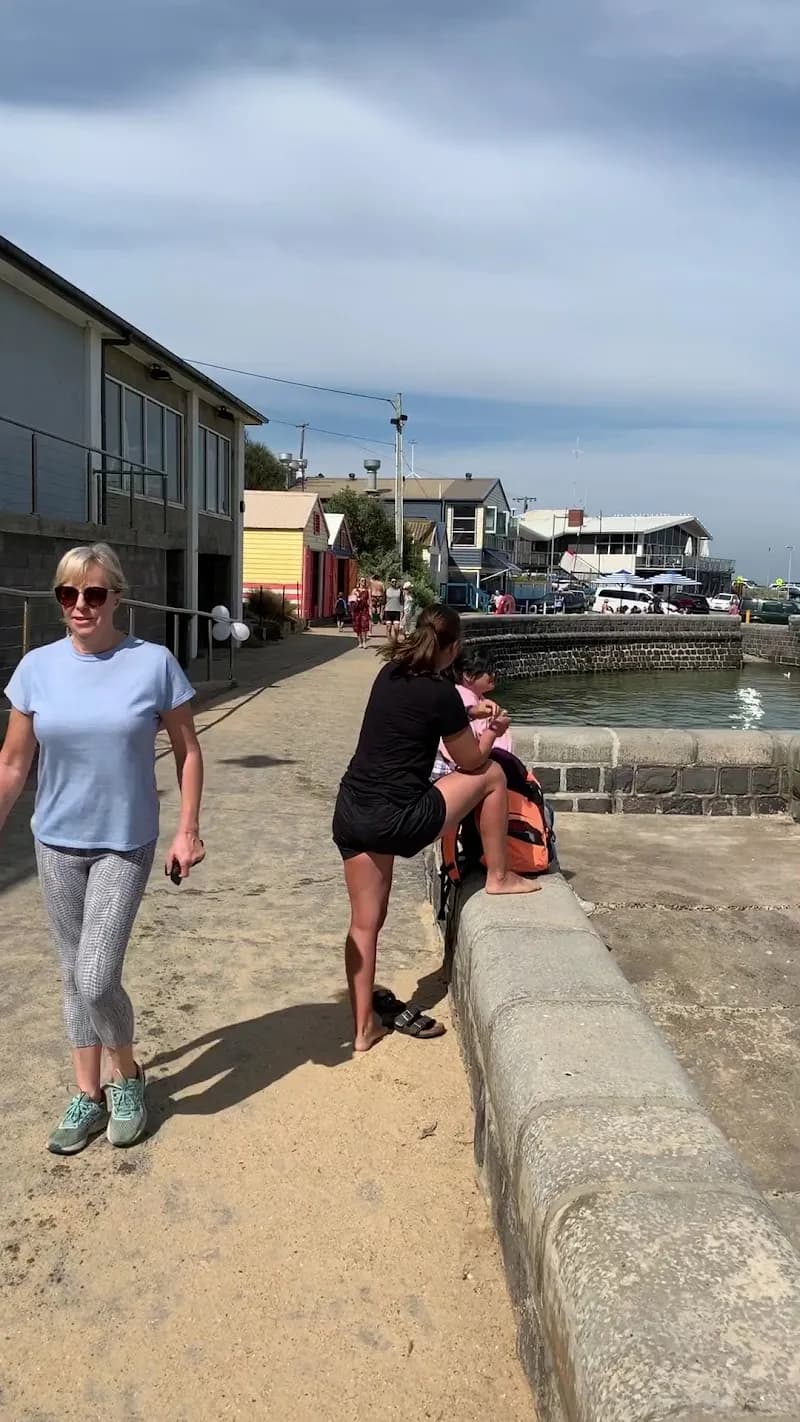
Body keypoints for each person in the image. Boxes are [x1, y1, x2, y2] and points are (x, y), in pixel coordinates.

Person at [0, 542, 204, 1154]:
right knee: (71, 974)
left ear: (117, 596)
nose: (80, 605)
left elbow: (189, 752)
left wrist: (187, 829)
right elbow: (13, 762)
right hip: (54, 840)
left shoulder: (154, 663)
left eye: (93, 593)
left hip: (124, 841)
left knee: (95, 976)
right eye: (68, 594)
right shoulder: (36, 668)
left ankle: (129, 1077)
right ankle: (87, 1094)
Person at [332, 605, 540, 1052]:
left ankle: (362, 1030)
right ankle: (500, 877)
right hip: (400, 818)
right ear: (454, 648)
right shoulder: (442, 694)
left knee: (364, 925)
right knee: (493, 777)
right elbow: (471, 762)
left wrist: (469, 716)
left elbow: (412, 722)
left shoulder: (389, 673)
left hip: (353, 809)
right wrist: (493, 728)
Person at [349, 577, 371, 648]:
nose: (363, 582)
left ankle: (364, 642)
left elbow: (369, 601)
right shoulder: (355, 590)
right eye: (362, 581)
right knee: (357, 626)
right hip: (356, 610)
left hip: (364, 610)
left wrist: (370, 611)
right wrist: (356, 597)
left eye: (364, 581)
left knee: (364, 626)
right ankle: (360, 642)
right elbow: (350, 600)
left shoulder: (368, 590)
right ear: (359, 582)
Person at [383, 576, 404, 643]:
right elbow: (383, 601)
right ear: (390, 582)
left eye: (395, 582)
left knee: (396, 628)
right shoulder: (387, 590)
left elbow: (402, 601)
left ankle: (395, 640)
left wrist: (402, 611)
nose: (394, 583)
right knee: (388, 628)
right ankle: (389, 642)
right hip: (388, 611)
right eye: (392, 582)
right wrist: (381, 612)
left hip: (396, 611)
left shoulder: (399, 591)